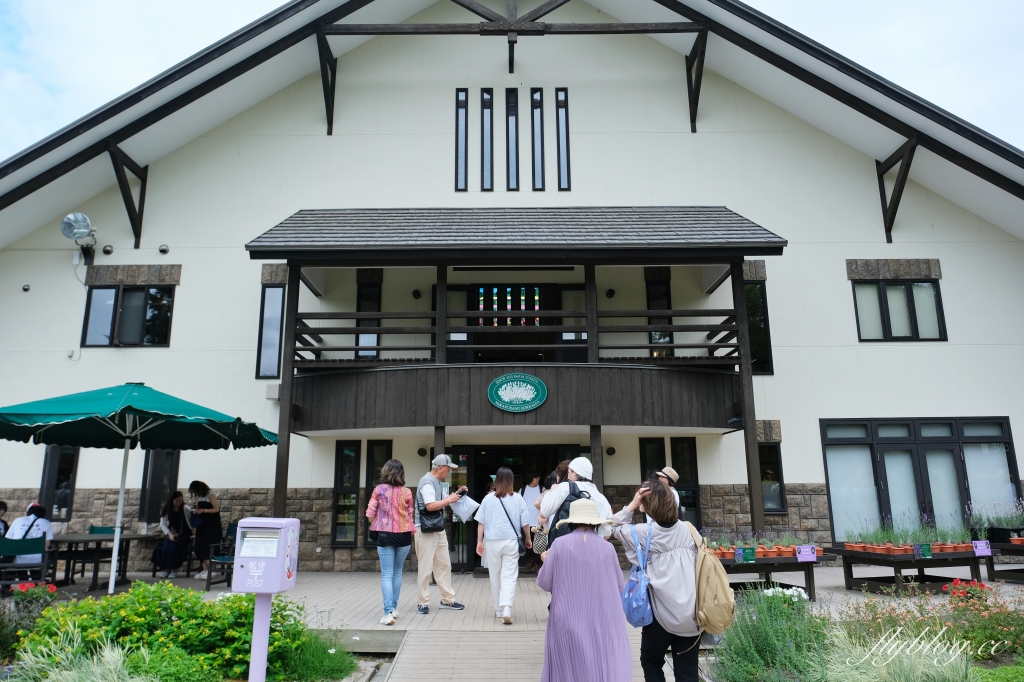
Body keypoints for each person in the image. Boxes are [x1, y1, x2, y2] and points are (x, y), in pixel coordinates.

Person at [611, 484, 700, 682]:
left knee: (651, 662)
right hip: (692, 613)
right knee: (688, 672)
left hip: (659, 615)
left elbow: (613, 526)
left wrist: (632, 504)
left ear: (648, 505)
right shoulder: (690, 531)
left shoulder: (641, 533)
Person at [537, 498, 632, 682]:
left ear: (571, 522)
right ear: (596, 522)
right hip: (603, 618)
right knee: (601, 663)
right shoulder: (608, 548)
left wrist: (545, 561)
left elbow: (545, 582)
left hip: (566, 617)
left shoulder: (559, 544)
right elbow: (620, 585)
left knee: (568, 667)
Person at [475, 467, 532, 624]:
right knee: (509, 575)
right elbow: (525, 522)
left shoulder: (488, 499)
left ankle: (499, 610)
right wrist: (528, 538)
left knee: (495, 575)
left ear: (496, 481)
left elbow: (481, 522)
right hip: (511, 541)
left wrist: (479, 541)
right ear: (512, 481)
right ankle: (507, 606)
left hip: (492, 542)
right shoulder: (518, 498)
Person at [413, 454, 467, 614]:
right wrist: (449, 500)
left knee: (444, 564)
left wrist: (459, 493)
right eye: (448, 468)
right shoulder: (427, 482)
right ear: (441, 467)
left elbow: (446, 499)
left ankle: (448, 599)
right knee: (425, 566)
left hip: (437, 528)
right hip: (425, 529)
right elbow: (430, 505)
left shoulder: (437, 482)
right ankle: (422, 602)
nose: (449, 471)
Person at [366, 459, 415, 626]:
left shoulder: (378, 490)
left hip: (385, 535)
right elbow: (409, 514)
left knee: (386, 574)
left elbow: (370, 512)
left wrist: (377, 521)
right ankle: (394, 608)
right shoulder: (407, 492)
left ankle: (387, 614)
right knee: (397, 572)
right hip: (404, 535)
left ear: (385, 471)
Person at [539, 456, 613, 538]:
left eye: (568, 472)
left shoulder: (565, 487)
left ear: (575, 474)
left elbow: (544, 512)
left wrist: (551, 492)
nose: (567, 476)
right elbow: (606, 535)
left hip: (567, 546)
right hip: (593, 548)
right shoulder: (602, 499)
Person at [188, 480, 222, 581]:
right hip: (202, 525)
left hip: (212, 526)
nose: (195, 494)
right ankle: (205, 569)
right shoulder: (200, 496)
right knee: (197, 547)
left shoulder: (210, 494)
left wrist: (204, 510)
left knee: (205, 546)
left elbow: (216, 509)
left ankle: (211, 570)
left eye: (195, 491)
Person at [153, 491, 192, 578]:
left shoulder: (185, 509)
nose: (178, 503)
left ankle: (174, 570)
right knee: (166, 547)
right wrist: (169, 534)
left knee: (175, 547)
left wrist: (194, 533)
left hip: (184, 535)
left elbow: (192, 521)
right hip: (171, 533)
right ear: (172, 501)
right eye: (176, 501)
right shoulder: (167, 510)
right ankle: (166, 569)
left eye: (180, 501)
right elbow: (162, 524)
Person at [519, 471, 542, 570]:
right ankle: (530, 559)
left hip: (538, 522)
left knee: (538, 543)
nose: (538, 479)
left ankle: (538, 562)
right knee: (527, 542)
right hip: (526, 522)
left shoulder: (542, 489)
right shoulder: (522, 490)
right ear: (530, 479)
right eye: (536, 477)